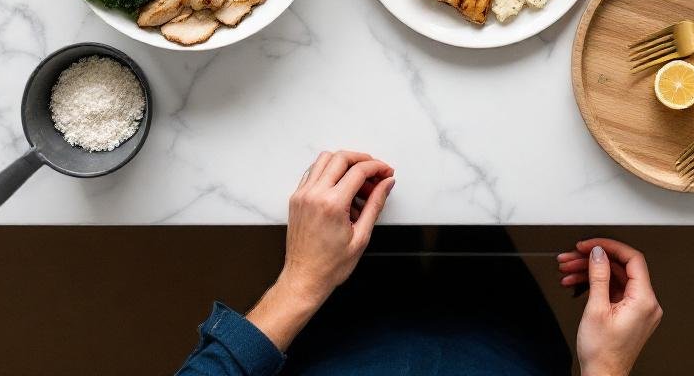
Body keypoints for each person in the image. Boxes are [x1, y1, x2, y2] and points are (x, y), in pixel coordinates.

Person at [176, 150, 662, 376]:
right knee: (475, 232)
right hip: (501, 353)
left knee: (381, 217)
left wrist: (302, 281)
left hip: (338, 351)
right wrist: (607, 368)